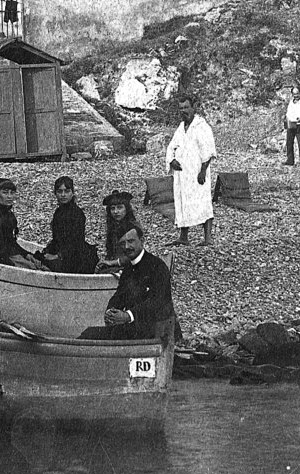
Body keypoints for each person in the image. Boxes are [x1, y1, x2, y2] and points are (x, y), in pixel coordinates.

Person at [81, 226, 175, 342]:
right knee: (89, 333)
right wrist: (111, 312)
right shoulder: (128, 268)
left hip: (158, 331)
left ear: (142, 240)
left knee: (90, 336)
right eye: (122, 243)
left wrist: (128, 316)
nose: (126, 247)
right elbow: (119, 295)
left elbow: (158, 301)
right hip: (136, 327)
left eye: (131, 241)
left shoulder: (157, 266)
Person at [166, 94, 217, 247]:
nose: (184, 111)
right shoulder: (181, 128)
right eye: (181, 108)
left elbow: (208, 151)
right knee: (183, 202)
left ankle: (208, 238)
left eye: (186, 107)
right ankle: (183, 236)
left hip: (196, 172)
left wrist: (203, 171)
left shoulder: (202, 126)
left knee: (203, 202)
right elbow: (171, 146)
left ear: (193, 108)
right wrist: (171, 160)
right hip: (182, 174)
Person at [0, 178, 45, 270]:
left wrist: (26, 254)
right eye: (5, 193)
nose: (9, 196)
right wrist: (20, 258)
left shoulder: (8, 214)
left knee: (39, 264)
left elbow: (11, 241)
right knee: (33, 267)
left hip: (7, 252)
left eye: (12, 193)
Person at [40, 176, 97, 274]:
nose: (63, 195)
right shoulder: (58, 212)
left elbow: (76, 242)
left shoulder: (77, 214)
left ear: (72, 193)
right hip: (62, 251)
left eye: (66, 191)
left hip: (75, 256)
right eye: (59, 191)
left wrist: (58, 256)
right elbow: (57, 239)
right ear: (55, 193)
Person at [98, 190, 141, 270]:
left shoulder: (133, 228)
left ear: (126, 209)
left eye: (120, 207)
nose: (116, 212)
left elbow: (136, 254)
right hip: (117, 264)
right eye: (112, 208)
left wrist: (114, 262)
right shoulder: (113, 227)